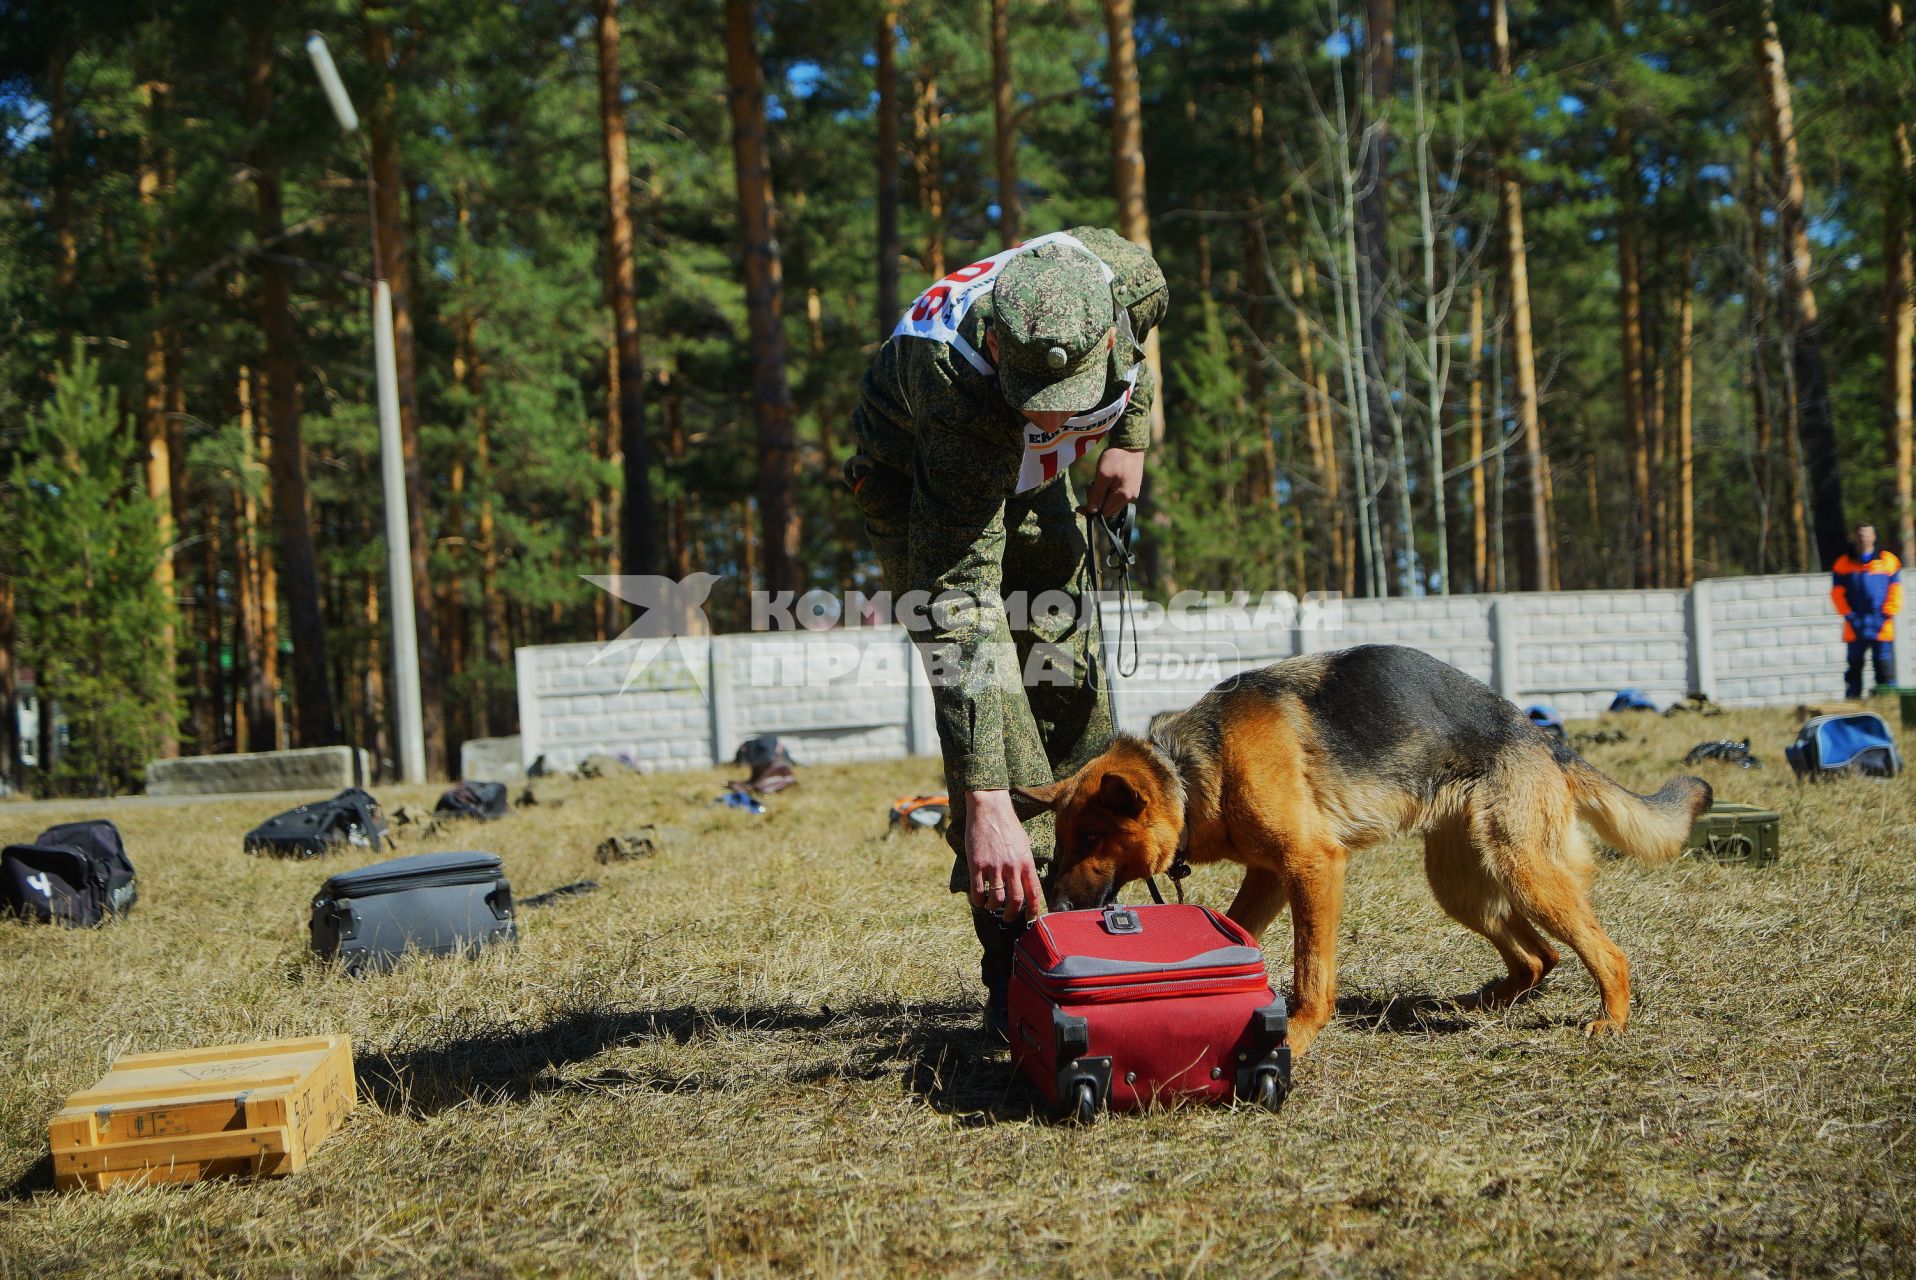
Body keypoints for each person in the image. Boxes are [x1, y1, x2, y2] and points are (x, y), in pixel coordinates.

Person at [843, 228, 1167, 1038]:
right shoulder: (955, 384)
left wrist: (1128, 439)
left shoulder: (1129, 277)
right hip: (926, 486)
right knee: (1001, 738)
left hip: (1032, 480)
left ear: (1105, 332)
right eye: (1038, 396)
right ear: (994, 339)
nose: (1057, 412)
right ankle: (1016, 972)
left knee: (1071, 693)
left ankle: (1087, 913)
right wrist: (985, 797)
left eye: (1075, 394)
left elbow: (1141, 348)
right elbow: (963, 607)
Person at [1831, 522, 1902, 699]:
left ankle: (1887, 702)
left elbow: (1896, 592)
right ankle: (1854, 703)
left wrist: (1885, 615)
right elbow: (1837, 594)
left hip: (1882, 624)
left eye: (1867, 534)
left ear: (1874, 536)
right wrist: (1851, 617)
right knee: (1854, 667)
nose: (1864, 538)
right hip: (1855, 625)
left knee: (1884, 665)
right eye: (1860, 534)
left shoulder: (1888, 561)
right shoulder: (1843, 563)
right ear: (1855, 537)